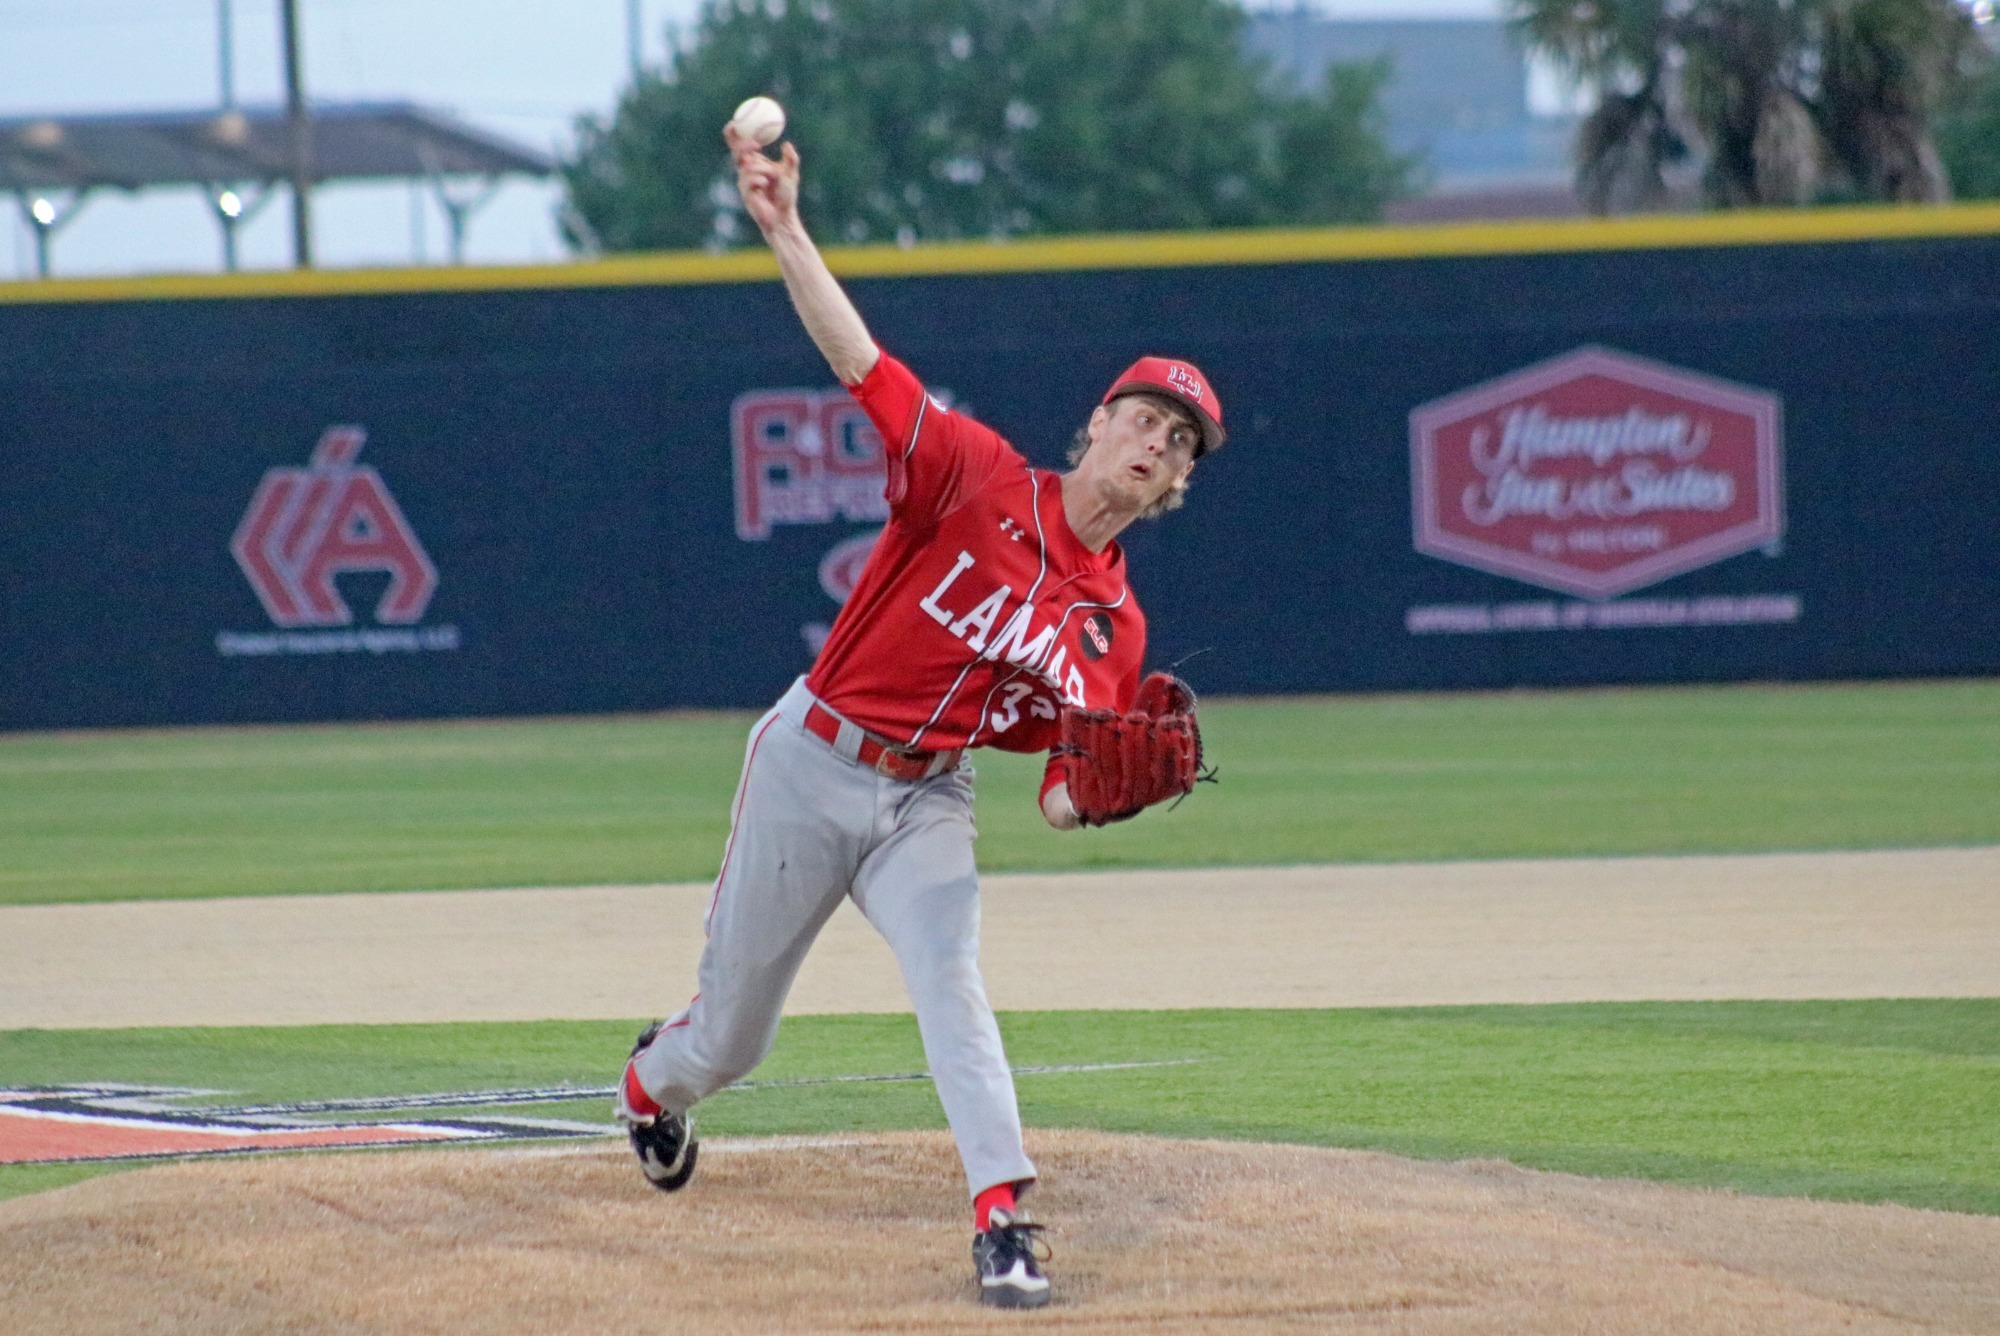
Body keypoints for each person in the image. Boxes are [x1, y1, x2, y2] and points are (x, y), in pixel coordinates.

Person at [613, 116, 1227, 1310]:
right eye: (1144, 417)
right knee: (728, 1041)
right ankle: (652, 1085)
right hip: (812, 757)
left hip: (927, 795)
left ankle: (1002, 1217)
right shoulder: (973, 473)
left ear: (1177, 483)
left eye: (1178, 441)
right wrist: (784, 229)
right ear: (1095, 425)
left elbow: (1058, 791)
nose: (1154, 441)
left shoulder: (1115, 630)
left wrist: (1100, 797)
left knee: (950, 975)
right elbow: (863, 364)